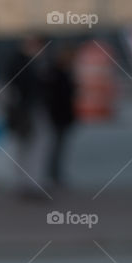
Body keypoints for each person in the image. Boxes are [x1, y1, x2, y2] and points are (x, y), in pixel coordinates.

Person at [3, 35, 50, 196]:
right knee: (27, 147)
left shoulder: (22, 61)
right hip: (25, 112)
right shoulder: (23, 62)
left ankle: (29, 182)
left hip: (28, 111)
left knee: (30, 147)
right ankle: (28, 183)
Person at [42, 46, 77, 187]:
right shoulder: (57, 74)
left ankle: (54, 175)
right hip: (58, 117)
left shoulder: (62, 73)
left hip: (62, 117)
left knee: (58, 148)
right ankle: (52, 176)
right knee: (54, 147)